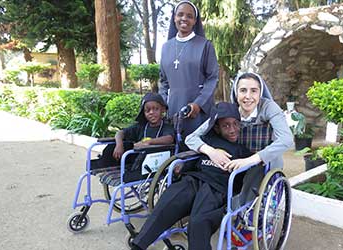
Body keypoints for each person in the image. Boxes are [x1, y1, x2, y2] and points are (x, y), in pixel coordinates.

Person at [131, 102, 252, 250]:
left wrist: (240, 165)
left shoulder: (243, 151)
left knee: (199, 221)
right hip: (194, 178)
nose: (232, 130)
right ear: (216, 128)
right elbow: (191, 144)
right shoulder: (208, 140)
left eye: (235, 124)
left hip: (216, 187)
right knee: (169, 201)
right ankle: (139, 244)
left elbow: (251, 171)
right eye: (226, 125)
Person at [185, 72, 294, 172]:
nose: (248, 96)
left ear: (260, 93)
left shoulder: (269, 108)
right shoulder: (229, 111)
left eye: (254, 90)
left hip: (264, 166)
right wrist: (211, 152)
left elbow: (286, 139)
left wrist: (250, 160)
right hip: (235, 165)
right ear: (236, 93)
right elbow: (191, 138)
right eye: (243, 90)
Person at [159, 0, 219, 138]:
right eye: (180, 14)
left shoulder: (205, 45)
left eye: (189, 16)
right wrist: (163, 103)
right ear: (174, 18)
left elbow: (212, 78)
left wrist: (198, 104)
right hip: (173, 109)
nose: (184, 18)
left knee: (195, 150)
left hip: (197, 110)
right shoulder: (166, 47)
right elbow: (163, 81)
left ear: (194, 21)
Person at [93, 92, 175, 182]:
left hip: (153, 163)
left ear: (162, 109)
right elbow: (120, 133)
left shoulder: (166, 126)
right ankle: (103, 165)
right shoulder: (141, 126)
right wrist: (119, 145)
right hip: (135, 161)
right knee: (114, 147)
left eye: (155, 109)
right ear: (143, 112)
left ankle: (129, 172)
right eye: (147, 110)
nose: (151, 112)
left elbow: (169, 138)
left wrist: (149, 142)